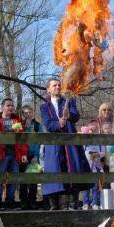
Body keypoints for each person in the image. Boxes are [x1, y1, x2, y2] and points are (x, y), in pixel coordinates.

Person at [40, 78, 90, 210]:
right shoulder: (44, 106)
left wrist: (68, 116)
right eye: (54, 85)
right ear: (48, 89)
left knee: (73, 167)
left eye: (58, 85)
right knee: (54, 169)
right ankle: (54, 206)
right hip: (53, 144)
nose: (57, 87)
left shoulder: (69, 101)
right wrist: (58, 124)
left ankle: (73, 204)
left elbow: (76, 115)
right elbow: (48, 124)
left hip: (69, 142)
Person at [0, 98, 29, 210]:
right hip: (2, 154)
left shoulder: (17, 120)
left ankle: (10, 202)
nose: (11, 107)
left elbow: (22, 139)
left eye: (12, 105)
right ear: (3, 107)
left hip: (15, 154)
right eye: (8, 105)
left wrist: (23, 154)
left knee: (13, 179)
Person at [20, 105, 43, 209]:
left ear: (32, 113)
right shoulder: (19, 125)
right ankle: (23, 201)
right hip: (23, 155)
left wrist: (36, 156)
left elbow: (40, 142)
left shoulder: (38, 126)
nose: (27, 114)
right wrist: (22, 154)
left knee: (33, 180)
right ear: (22, 114)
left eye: (29, 112)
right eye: (25, 113)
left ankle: (32, 200)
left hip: (34, 155)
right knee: (23, 179)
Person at [83, 125, 106, 210]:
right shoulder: (85, 143)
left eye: (94, 130)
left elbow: (104, 153)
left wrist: (97, 154)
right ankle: (85, 203)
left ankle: (95, 203)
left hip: (96, 167)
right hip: (86, 168)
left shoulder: (99, 142)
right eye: (91, 130)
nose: (92, 132)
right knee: (86, 186)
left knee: (95, 186)